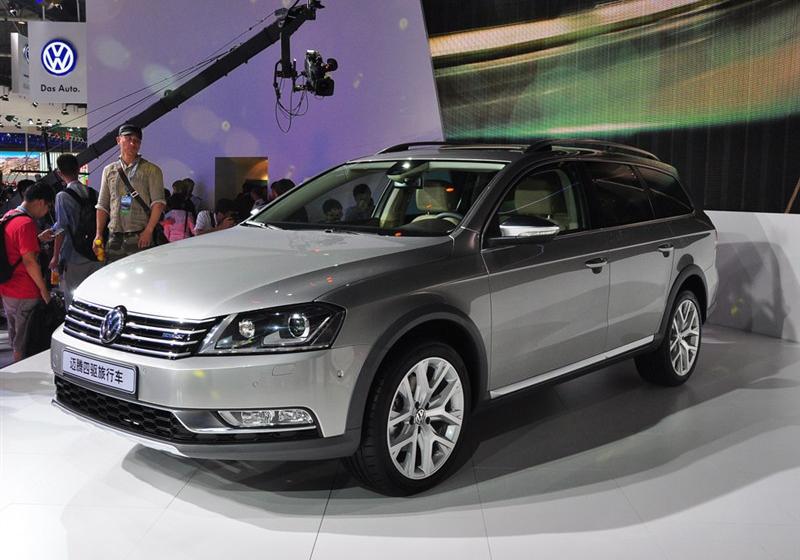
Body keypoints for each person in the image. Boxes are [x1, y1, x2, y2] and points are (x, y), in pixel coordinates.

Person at [95, 124, 166, 263]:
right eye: (128, 138)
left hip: (140, 235)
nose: (133, 143)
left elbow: (158, 203)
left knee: (142, 272)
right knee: (114, 274)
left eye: (137, 141)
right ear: (118, 140)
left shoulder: (151, 170)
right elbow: (102, 205)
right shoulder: (109, 170)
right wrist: (98, 234)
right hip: (115, 236)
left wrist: (148, 231)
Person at [0, 182, 55, 362]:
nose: (47, 211)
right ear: (40, 202)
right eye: (48, 206)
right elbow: (30, 261)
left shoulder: (9, 216)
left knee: (15, 337)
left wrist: (37, 239)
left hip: (8, 288)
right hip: (25, 291)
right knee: (24, 343)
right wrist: (44, 291)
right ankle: (22, 370)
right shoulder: (26, 223)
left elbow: (15, 248)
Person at [48, 154, 102, 310]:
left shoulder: (62, 196)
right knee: (94, 297)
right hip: (95, 252)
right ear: (78, 170)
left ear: (59, 173)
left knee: (73, 299)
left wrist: (55, 256)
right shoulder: (93, 193)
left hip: (73, 255)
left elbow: (61, 228)